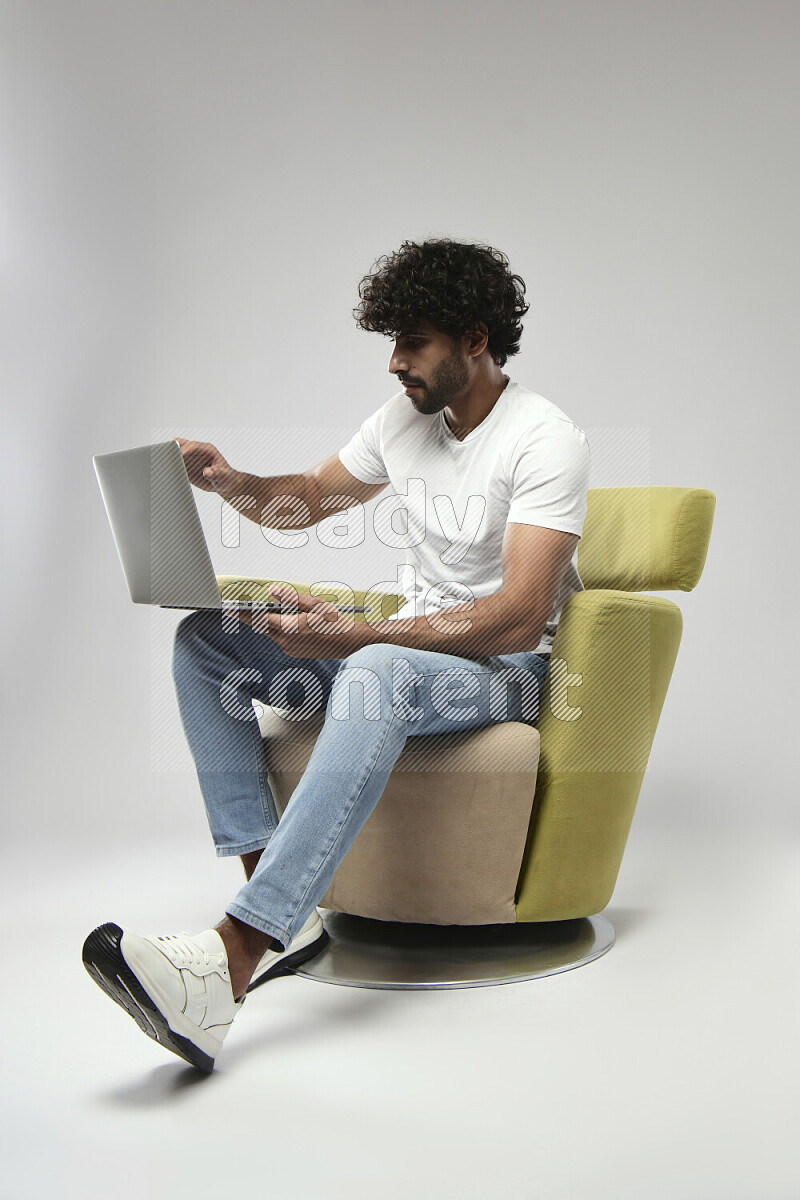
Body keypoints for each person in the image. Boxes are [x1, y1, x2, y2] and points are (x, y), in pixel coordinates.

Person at [82, 239, 591, 1073]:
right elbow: (308, 502)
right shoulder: (405, 421)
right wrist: (227, 481)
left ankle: (231, 961)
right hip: (406, 658)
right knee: (208, 642)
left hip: (506, 675)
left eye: (413, 341)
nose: (395, 363)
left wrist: (357, 635)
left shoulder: (545, 440)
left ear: (474, 337)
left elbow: (516, 615)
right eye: (390, 341)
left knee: (376, 669)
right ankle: (285, 912)